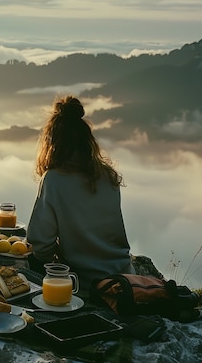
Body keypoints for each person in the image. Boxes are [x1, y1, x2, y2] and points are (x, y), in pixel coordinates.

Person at [26, 95, 134, 294]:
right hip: (123, 277)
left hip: (83, 282)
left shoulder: (54, 180)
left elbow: (41, 245)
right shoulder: (108, 175)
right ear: (87, 141)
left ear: (53, 143)